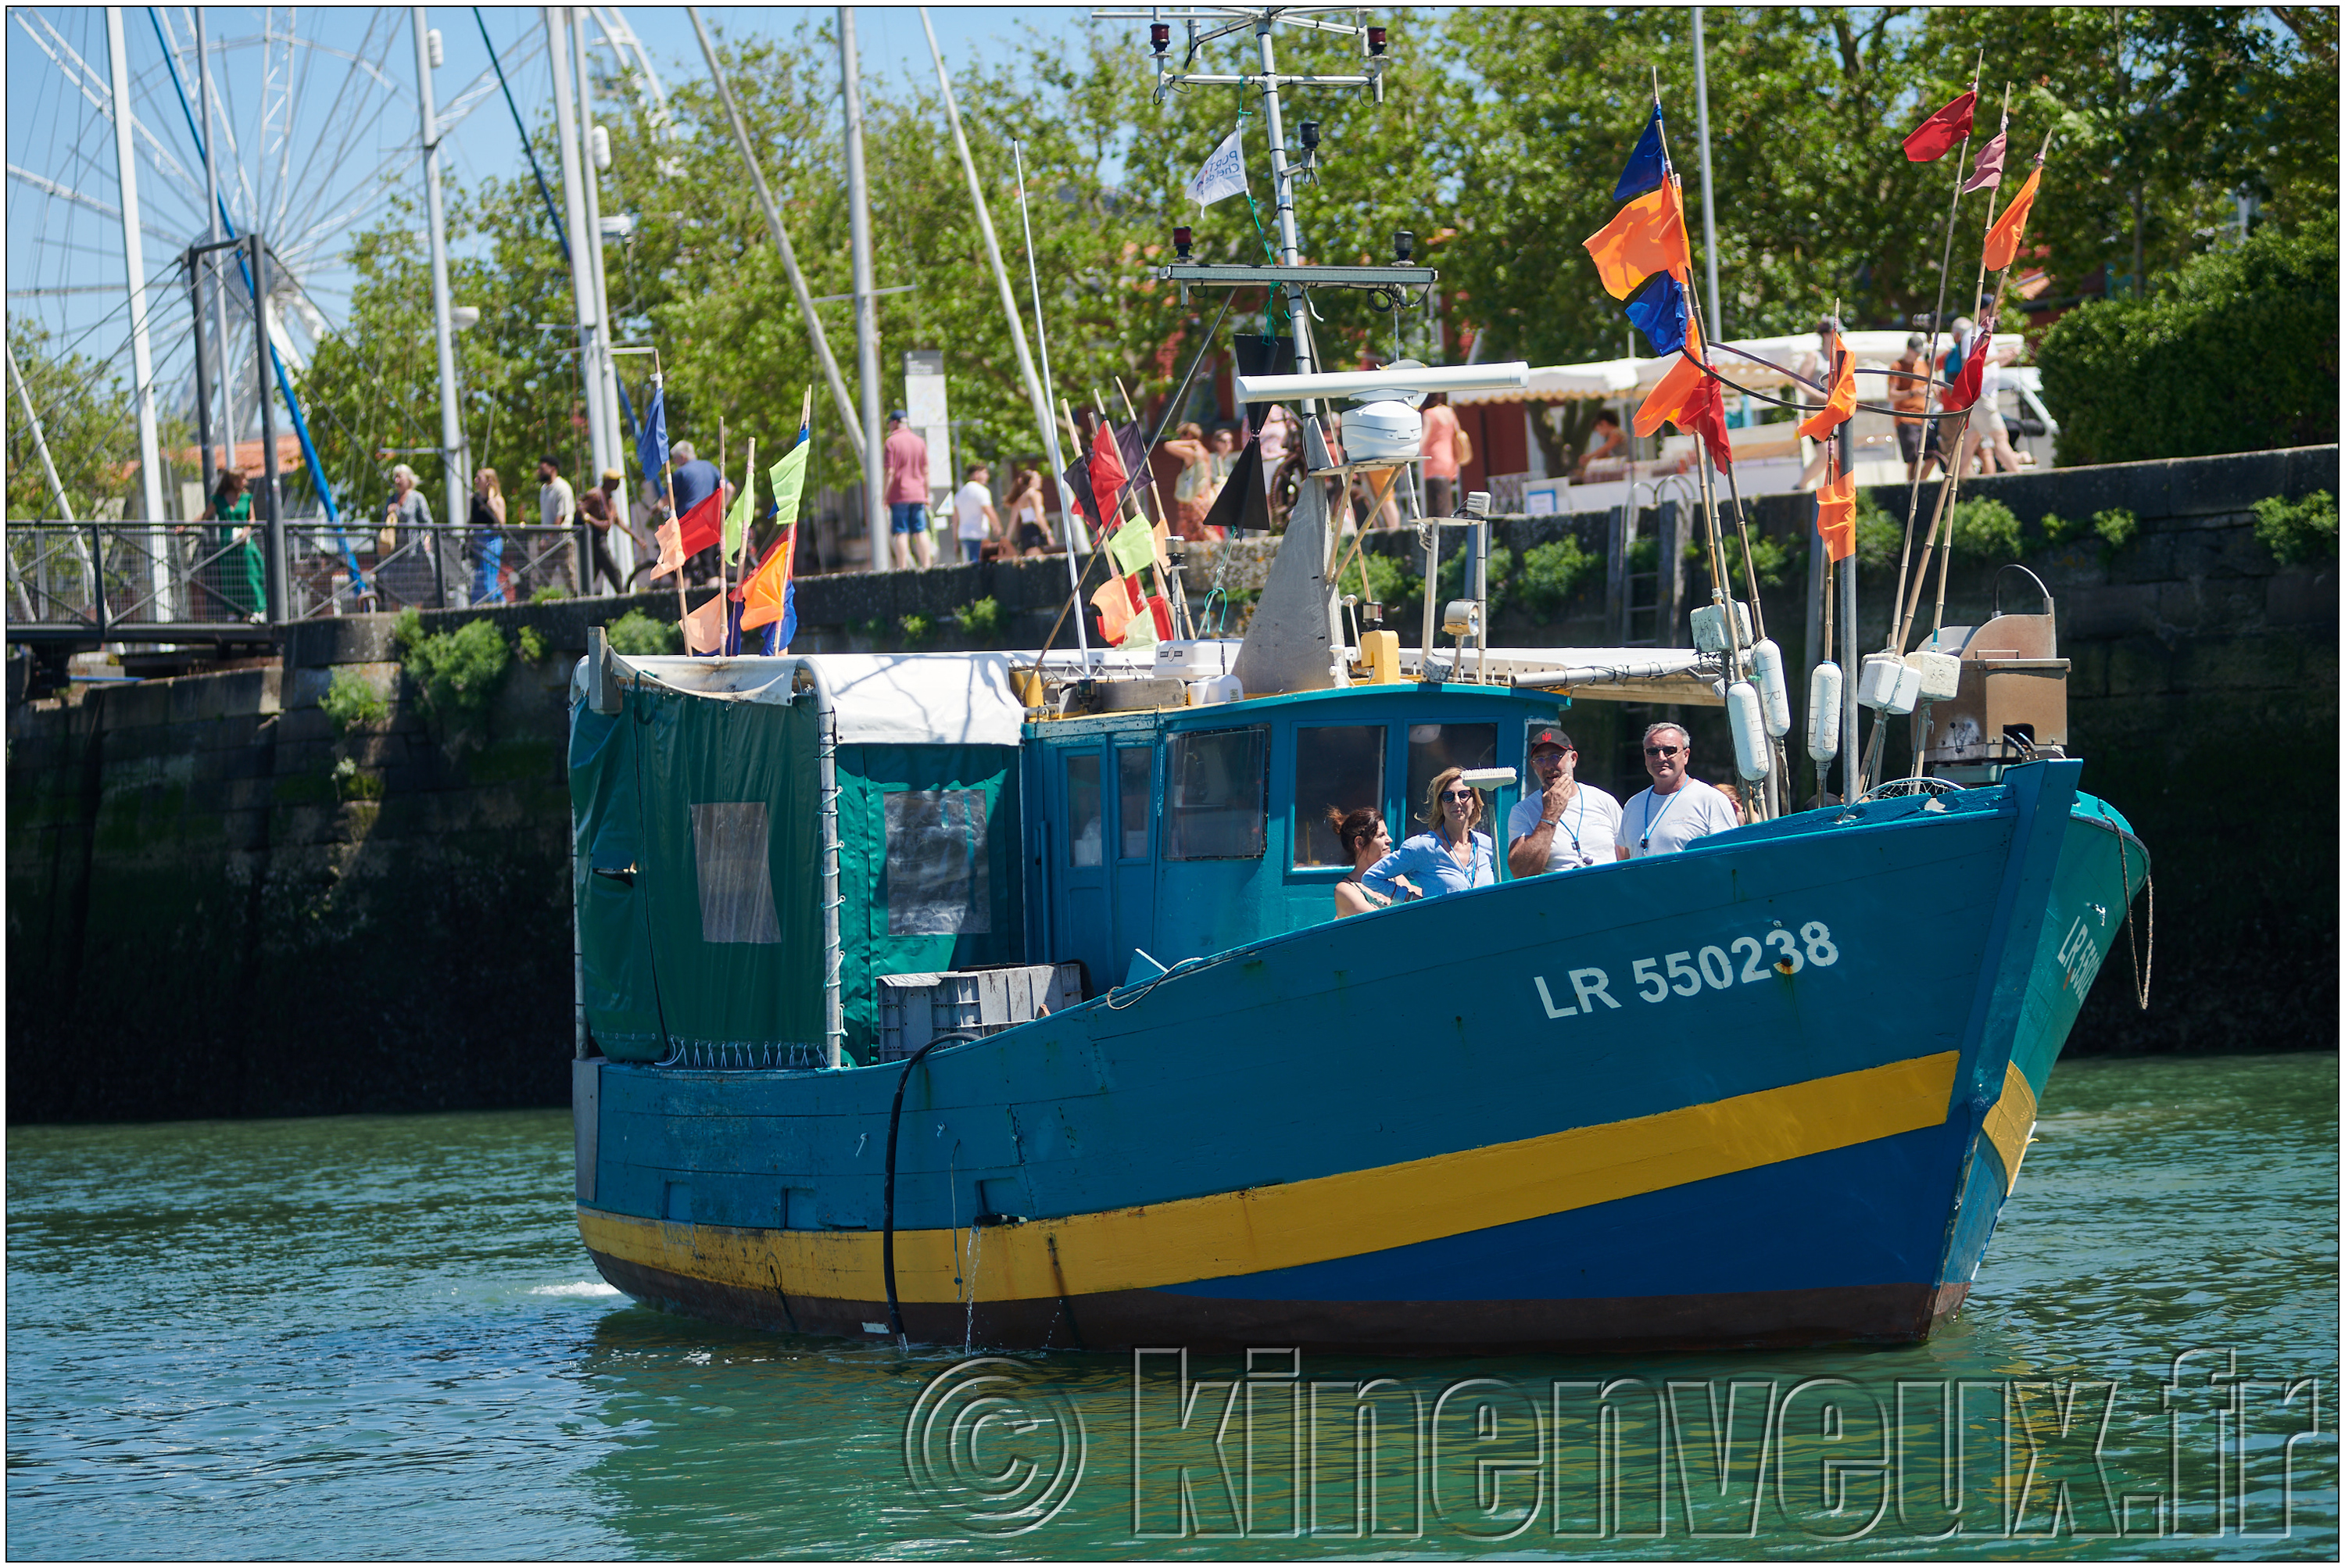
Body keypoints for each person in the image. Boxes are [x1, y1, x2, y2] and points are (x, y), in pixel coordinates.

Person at [1361, 766, 1498, 900]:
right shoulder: (1422, 847)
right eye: (1448, 797)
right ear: (1440, 804)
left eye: (1464, 795)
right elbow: (1371, 878)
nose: (1457, 801)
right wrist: (1411, 899)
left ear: (1474, 801)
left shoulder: (1486, 844)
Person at [1505, 727, 1624, 877]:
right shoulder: (1522, 811)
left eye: (1555, 757)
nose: (1548, 766)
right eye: (1540, 760)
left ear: (1572, 759)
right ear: (1533, 766)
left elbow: (1627, 858)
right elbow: (1521, 872)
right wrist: (1549, 816)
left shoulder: (1604, 800)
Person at [1615, 722, 1744, 859]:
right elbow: (1626, 859)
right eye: (1652, 751)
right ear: (1645, 756)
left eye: (1669, 751)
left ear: (1686, 755)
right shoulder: (1633, 805)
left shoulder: (1711, 800)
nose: (1661, 757)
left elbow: (1729, 859)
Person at [198, 467, 264, 622]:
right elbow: (205, 515)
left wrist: (247, 530)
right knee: (230, 578)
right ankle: (232, 612)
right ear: (232, 481)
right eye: (241, 479)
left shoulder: (247, 497)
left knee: (250, 574)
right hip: (227, 544)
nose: (245, 482)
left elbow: (252, 518)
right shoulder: (219, 499)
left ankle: (256, 610)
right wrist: (186, 526)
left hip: (244, 543)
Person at [1326, 807, 1419, 916]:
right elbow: (1383, 925)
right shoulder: (1346, 890)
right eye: (1381, 835)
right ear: (1360, 843)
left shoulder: (1395, 877)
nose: (1390, 840)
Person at [1166, 421, 1237, 539]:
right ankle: (1220, 552)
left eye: (1182, 436)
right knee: (1201, 533)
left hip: (1194, 501)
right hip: (1204, 499)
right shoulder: (1204, 452)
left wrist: (1190, 442)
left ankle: (1222, 553)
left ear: (1188, 435)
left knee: (1198, 533)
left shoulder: (1192, 453)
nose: (1180, 439)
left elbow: (1168, 445)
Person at [883, 411, 933, 570]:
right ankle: (927, 565)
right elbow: (926, 471)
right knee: (920, 530)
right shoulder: (919, 442)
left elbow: (890, 472)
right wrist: (926, 494)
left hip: (899, 495)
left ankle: (902, 567)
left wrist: (885, 496)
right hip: (918, 493)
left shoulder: (891, 442)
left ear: (895, 423)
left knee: (901, 532)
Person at [384, 463, 436, 611]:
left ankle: (415, 620)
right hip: (395, 552)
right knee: (394, 587)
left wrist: (427, 540)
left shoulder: (417, 497)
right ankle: (395, 622)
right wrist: (389, 512)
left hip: (414, 552)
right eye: (395, 477)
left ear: (408, 479)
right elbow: (382, 523)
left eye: (399, 477)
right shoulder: (391, 499)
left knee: (415, 587)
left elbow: (428, 523)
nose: (396, 481)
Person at [1892, 333, 1941, 484]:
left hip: (1924, 417)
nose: (1917, 355)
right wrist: (1913, 393)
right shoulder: (1897, 366)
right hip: (1906, 417)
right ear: (1908, 349)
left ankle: (1918, 485)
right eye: (1915, 351)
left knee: (1932, 456)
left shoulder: (1924, 365)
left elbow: (1934, 385)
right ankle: (1912, 489)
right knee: (1913, 459)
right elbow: (1891, 395)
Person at [579, 466, 627, 593]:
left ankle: (581, 597)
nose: (618, 483)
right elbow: (581, 509)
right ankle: (624, 599)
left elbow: (618, 521)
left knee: (592, 574)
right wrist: (593, 521)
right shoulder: (595, 495)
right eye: (615, 480)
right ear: (607, 482)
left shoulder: (609, 500)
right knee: (614, 571)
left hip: (601, 539)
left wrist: (637, 539)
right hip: (595, 540)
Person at [1420, 392, 1466, 517]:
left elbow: (1424, 438)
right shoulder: (1450, 412)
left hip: (1434, 459)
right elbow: (1457, 433)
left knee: (1435, 498)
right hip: (1450, 459)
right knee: (1446, 496)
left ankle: (1437, 529)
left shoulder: (1430, 414)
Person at [535, 454, 576, 598]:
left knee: (569, 576)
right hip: (548, 542)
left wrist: (546, 538)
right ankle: (542, 604)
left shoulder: (562, 488)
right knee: (543, 577)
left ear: (553, 469)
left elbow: (561, 517)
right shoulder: (544, 489)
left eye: (542, 468)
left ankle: (578, 600)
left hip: (562, 542)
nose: (539, 472)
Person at [467, 467, 508, 605]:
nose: (476, 481)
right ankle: (482, 604)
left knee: (488, 577)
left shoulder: (497, 500)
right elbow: (472, 520)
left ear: (488, 481)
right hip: (478, 542)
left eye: (479, 478)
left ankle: (498, 602)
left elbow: (502, 523)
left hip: (491, 541)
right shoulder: (474, 499)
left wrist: (493, 505)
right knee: (479, 578)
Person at [951, 463, 1000, 564]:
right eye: (985, 473)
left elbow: (955, 518)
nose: (987, 476)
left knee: (969, 564)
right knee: (979, 565)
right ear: (976, 474)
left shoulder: (960, 493)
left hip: (964, 534)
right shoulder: (981, 491)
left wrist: (955, 540)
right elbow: (988, 510)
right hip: (978, 534)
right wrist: (997, 526)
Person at [1005, 467, 1051, 556]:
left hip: (1024, 531)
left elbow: (1012, 522)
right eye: (1038, 477)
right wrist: (1048, 532)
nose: (1040, 480)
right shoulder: (1035, 494)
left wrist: (1007, 539)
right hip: (1034, 530)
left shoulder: (1019, 499)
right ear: (1031, 481)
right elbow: (1038, 516)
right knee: (1037, 561)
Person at [1573, 411, 1625, 479]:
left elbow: (1606, 448)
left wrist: (1589, 456)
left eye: (1598, 430)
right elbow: (1605, 454)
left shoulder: (1616, 433)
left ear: (1604, 423)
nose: (1600, 433)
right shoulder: (1614, 434)